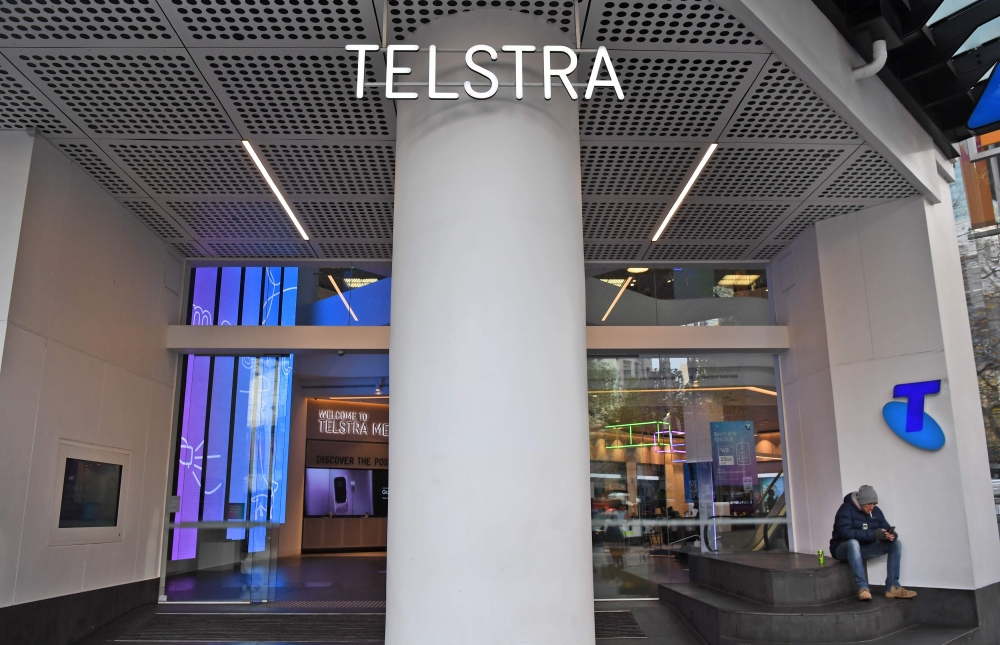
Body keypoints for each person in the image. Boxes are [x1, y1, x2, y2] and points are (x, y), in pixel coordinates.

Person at [830, 485, 917, 601]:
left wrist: (891, 536)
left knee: (896, 544)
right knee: (853, 543)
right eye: (869, 504)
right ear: (861, 502)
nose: (872, 507)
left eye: (874, 504)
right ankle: (863, 588)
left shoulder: (876, 511)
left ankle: (893, 587)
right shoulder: (845, 509)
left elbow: (886, 527)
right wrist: (874, 534)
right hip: (842, 549)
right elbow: (845, 533)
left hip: (863, 549)